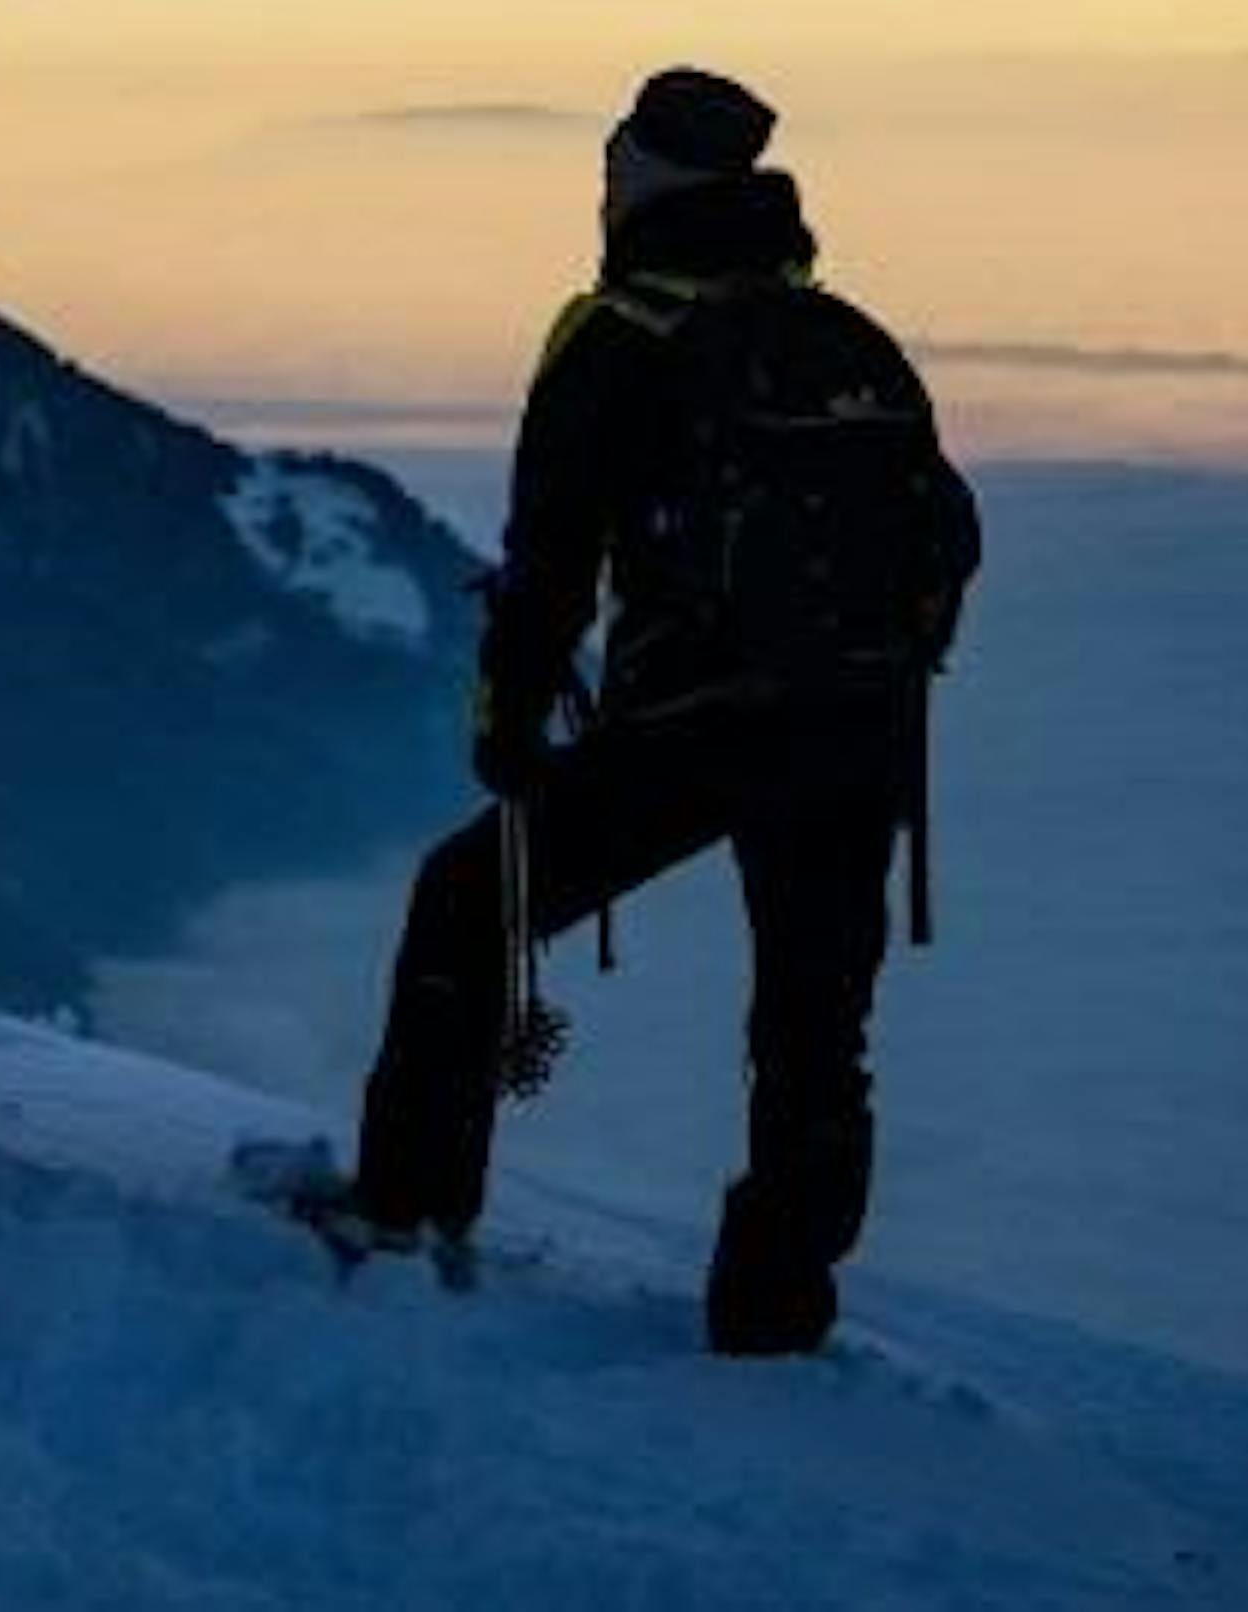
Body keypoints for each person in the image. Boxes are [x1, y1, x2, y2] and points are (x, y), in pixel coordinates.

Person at [312, 67, 979, 1354]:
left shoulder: (616, 336)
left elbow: (550, 554)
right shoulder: (843, 336)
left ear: (643, 181)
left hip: (704, 722)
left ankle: (406, 1217)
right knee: (813, 1026)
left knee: (468, 906)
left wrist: (509, 726)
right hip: (862, 725)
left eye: (616, 163)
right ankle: (779, 1308)